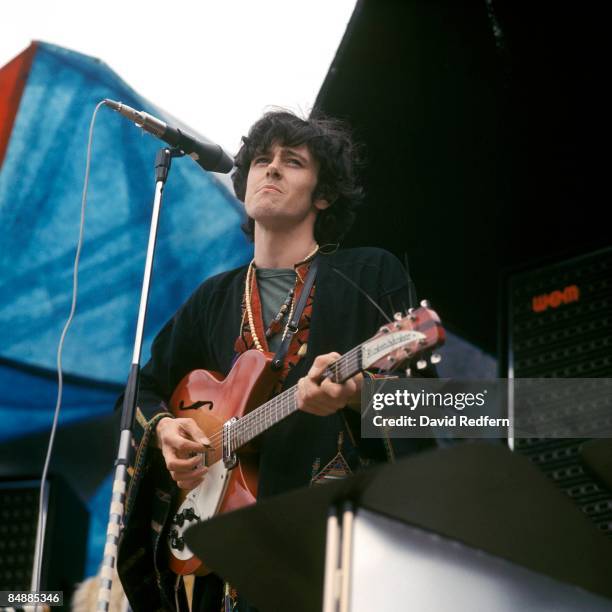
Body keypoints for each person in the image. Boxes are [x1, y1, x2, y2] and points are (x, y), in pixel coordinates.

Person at [117, 110, 434, 611]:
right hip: (229, 565)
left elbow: (434, 409)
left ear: (323, 194)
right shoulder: (211, 300)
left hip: (331, 549)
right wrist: (163, 431)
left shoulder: (371, 273)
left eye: (292, 161)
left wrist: (356, 398)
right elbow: (140, 393)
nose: (271, 169)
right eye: (262, 160)